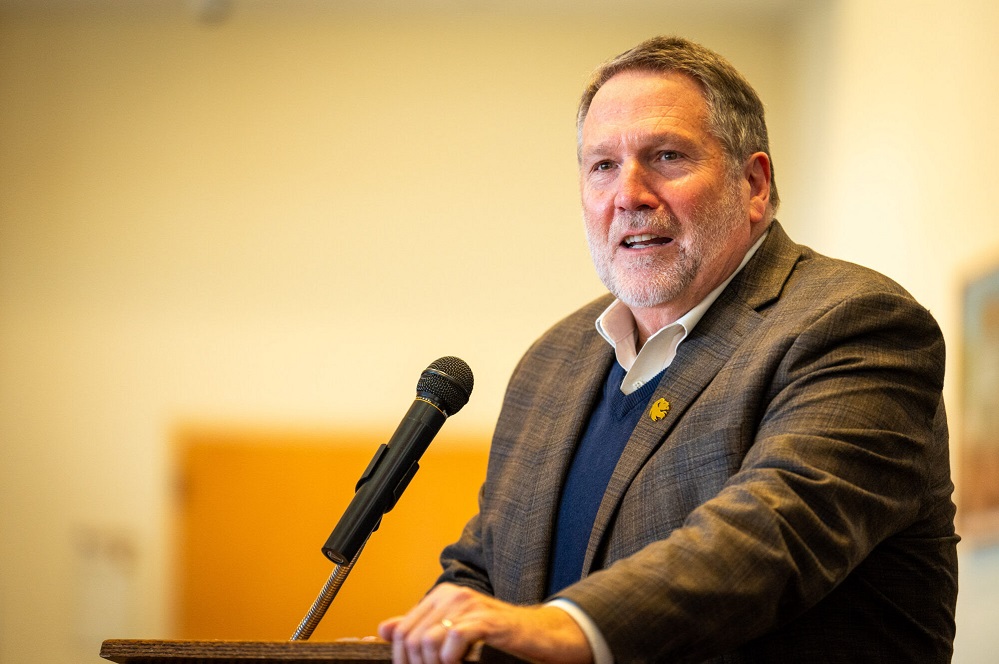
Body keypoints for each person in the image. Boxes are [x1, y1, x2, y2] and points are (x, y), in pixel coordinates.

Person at [378, 36, 959, 663]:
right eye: (602, 165)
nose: (629, 194)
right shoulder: (551, 363)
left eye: (667, 156)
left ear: (754, 183)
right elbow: (485, 569)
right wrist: (429, 636)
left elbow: (771, 534)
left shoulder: (854, 324)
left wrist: (568, 625)